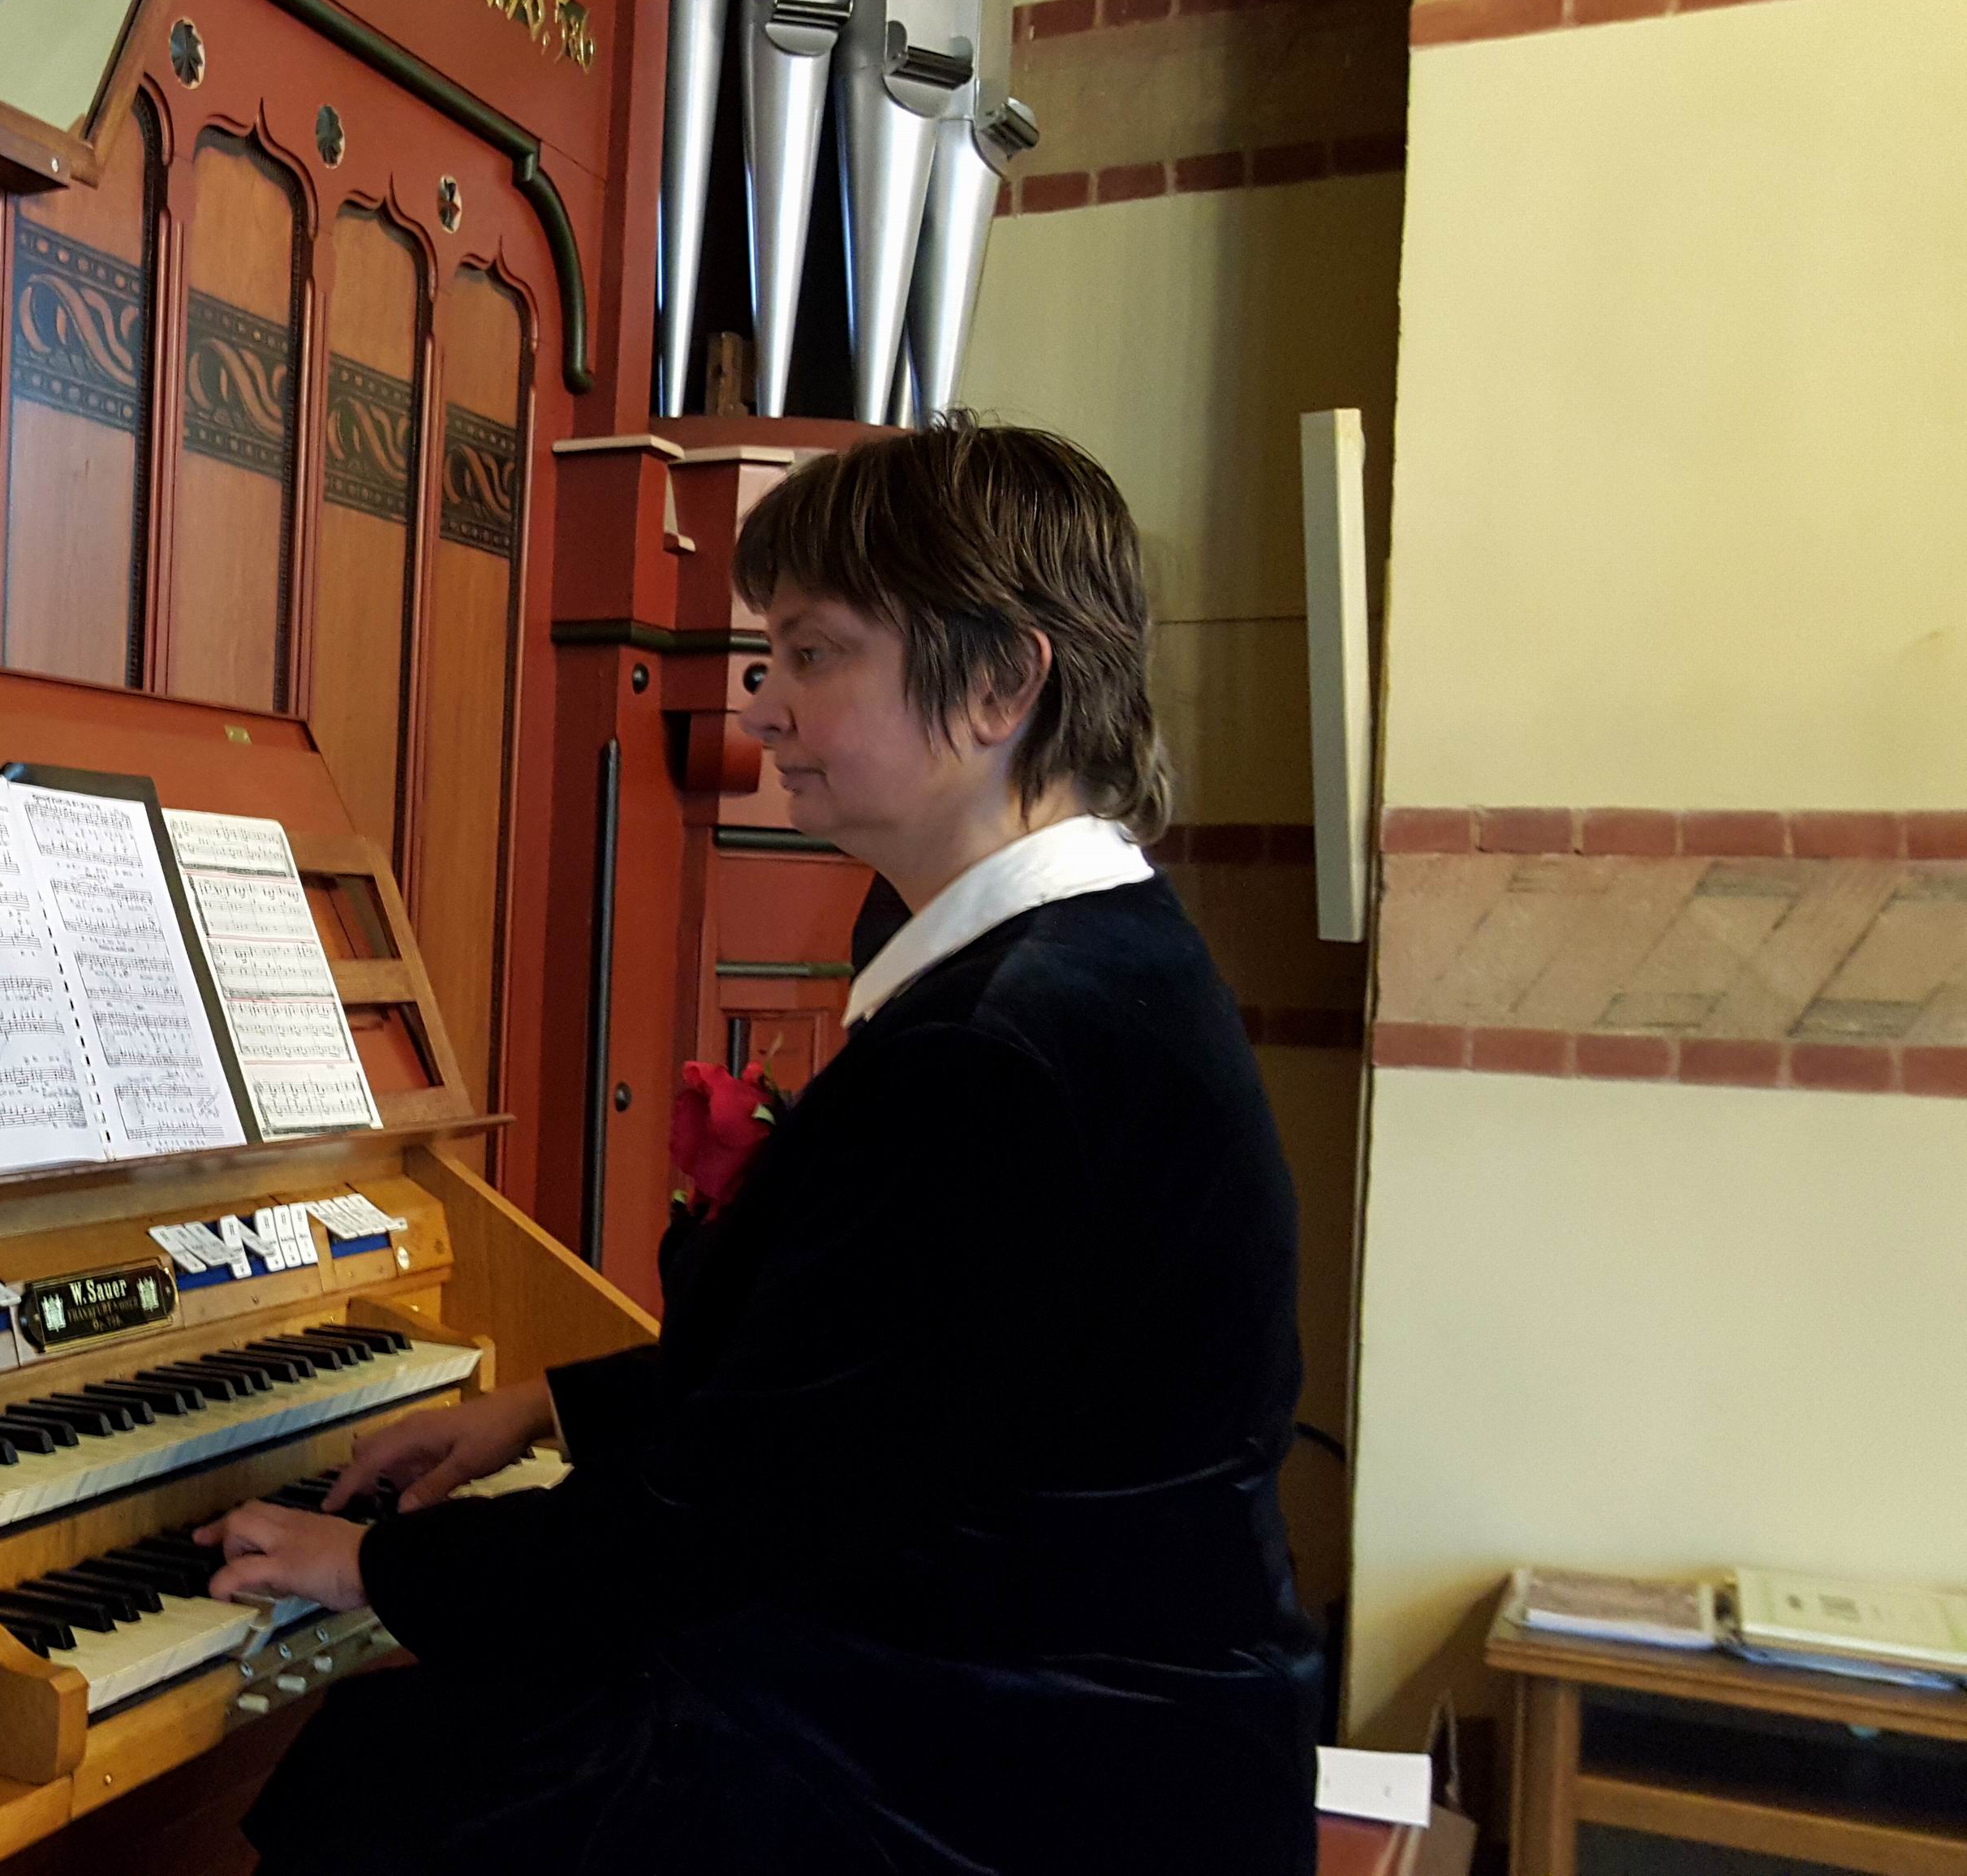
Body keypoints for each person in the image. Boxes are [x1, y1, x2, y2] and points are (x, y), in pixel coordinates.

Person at [193, 418, 1322, 1873]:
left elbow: (754, 1500)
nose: (764, 704)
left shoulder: (1001, 1043)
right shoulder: (1099, 956)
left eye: (813, 653)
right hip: (1094, 1717)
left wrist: (382, 1565)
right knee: (428, 1753)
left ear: (1000, 682)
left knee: (395, 1785)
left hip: (1027, 1770)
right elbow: (880, 1374)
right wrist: (546, 1405)